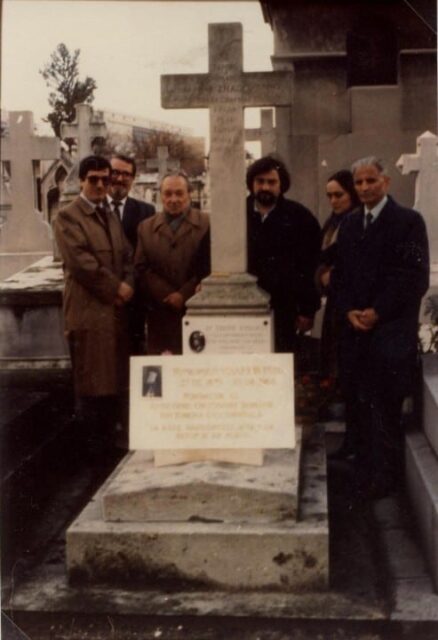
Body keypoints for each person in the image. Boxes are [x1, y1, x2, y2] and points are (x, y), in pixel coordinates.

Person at [332, 156, 429, 499]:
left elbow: (412, 278)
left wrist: (377, 312)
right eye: (358, 183)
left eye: (370, 181)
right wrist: (348, 312)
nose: (363, 188)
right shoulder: (350, 225)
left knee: (385, 410)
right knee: (359, 406)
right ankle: (361, 477)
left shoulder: (408, 222)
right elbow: (340, 278)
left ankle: (385, 480)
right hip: (356, 330)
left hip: (389, 331)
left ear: (385, 182)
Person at [54, 155, 134, 455]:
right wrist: (116, 288)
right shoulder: (68, 217)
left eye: (105, 179)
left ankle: (108, 451)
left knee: (113, 381)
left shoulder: (109, 215)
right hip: (89, 312)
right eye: (93, 179)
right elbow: (81, 263)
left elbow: (127, 255)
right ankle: (92, 457)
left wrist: (129, 284)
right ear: (81, 182)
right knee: (92, 385)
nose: (101, 185)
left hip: (113, 312)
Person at [246, 155, 321, 354]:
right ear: (251, 183)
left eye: (272, 182)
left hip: (285, 308)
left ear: (282, 185)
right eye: (260, 181)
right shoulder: (236, 214)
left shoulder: (300, 217)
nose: (265, 187)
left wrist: (307, 309)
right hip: (243, 308)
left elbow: (310, 266)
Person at [135, 171, 210, 354]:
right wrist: (167, 293)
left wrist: (183, 294)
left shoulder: (206, 223)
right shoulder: (146, 227)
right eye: (168, 194)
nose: (173, 199)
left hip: (195, 309)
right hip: (161, 312)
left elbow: (209, 266)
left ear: (189, 194)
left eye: (179, 193)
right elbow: (141, 267)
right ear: (160, 196)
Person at [316, 170, 360, 398]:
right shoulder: (332, 223)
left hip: (352, 301)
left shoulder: (359, 221)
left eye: (339, 195)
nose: (333, 201)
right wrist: (323, 274)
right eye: (329, 196)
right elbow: (321, 257)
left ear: (351, 194)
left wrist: (334, 274)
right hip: (334, 300)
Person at [107, 154, 155, 354]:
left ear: (133, 179)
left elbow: (148, 254)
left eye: (126, 174)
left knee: (134, 352)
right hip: (104, 293)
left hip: (134, 296)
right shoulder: (95, 208)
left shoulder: (146, 211)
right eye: (115, 172)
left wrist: (129, 284)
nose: (120, 179)